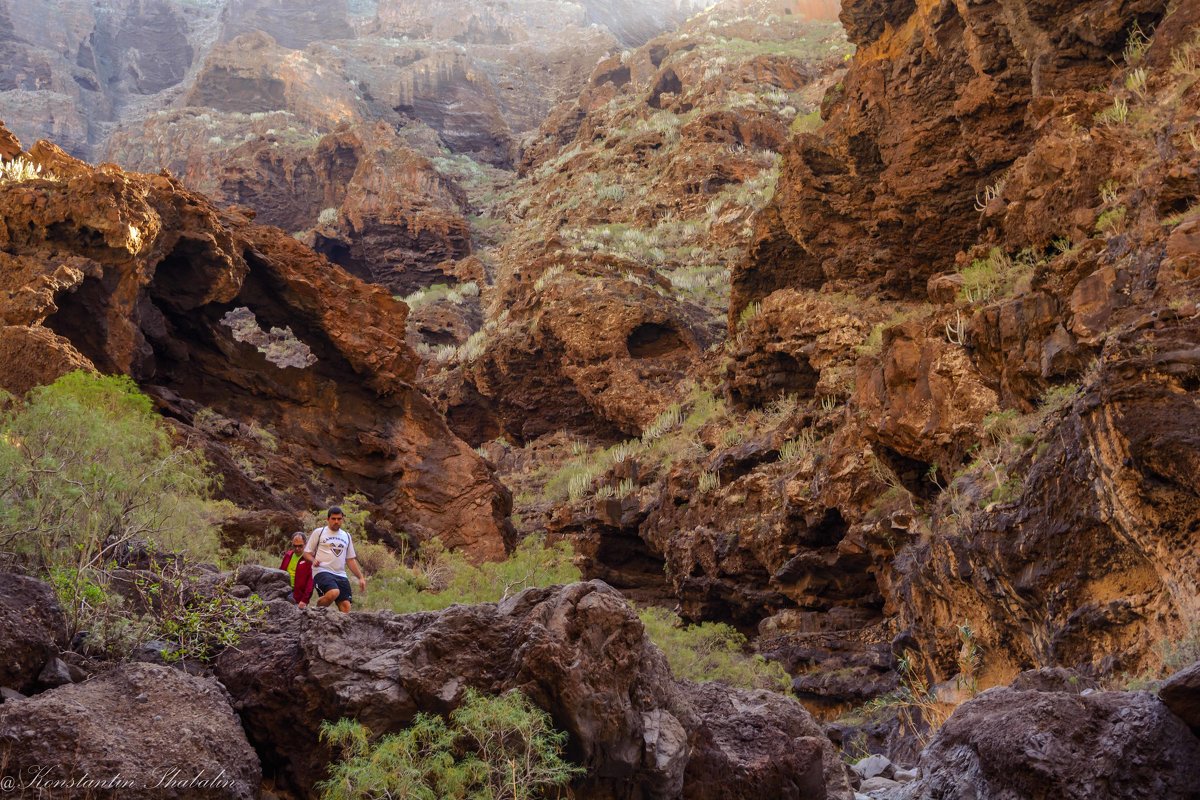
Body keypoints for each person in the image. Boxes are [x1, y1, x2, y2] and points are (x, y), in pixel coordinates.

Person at [303, 506, 366, 612]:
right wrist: (313, 560)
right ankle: (315, 613)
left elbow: (350, 559)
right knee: (333, 592)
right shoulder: (319, 532)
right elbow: (306, 553)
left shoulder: (346, 536)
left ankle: (339, 627)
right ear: (328, 519)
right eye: (333, 519)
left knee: (346, 606)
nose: (336, 521)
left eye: (339, 519)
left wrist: (361, 577)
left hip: (340, 574)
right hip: (322, 571)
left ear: (342, 519)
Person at [279, 531, 313, 609]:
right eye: (295, 546)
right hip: (283, 591)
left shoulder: (309, 559)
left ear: (305, 544)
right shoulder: (288, 555)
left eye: (300, 546)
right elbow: (280, 572)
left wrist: (304, 600)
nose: (297, 548)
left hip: (298, 597)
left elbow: (310, 583)